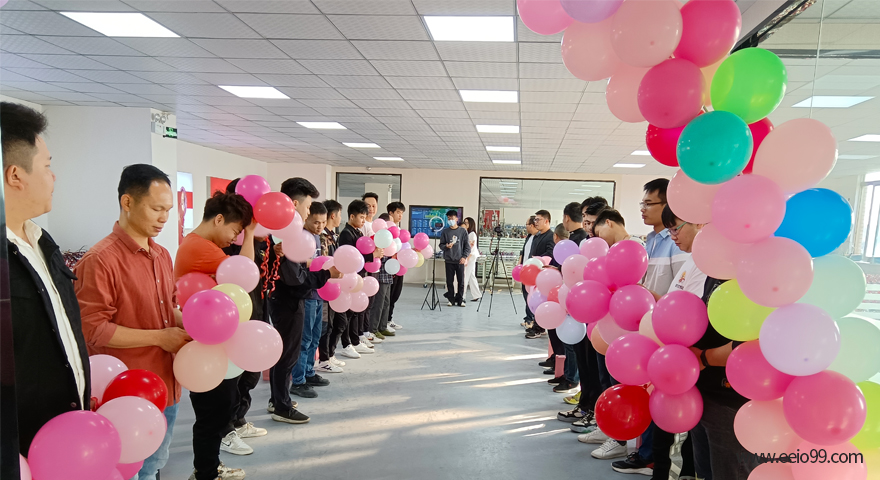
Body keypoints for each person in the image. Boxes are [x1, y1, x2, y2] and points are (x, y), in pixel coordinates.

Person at [75, 164, 189, 480]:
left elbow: (168, 308)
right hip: (128, 393)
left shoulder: (163, 255)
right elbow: (93, 329)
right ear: (127, 202)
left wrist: (188, 322)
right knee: (130, 470)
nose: (164, 217)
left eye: (167, 209)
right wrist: (159, 338)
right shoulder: (101, 260)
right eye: (156, 209)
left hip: (168, 384)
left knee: (154, 466)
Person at [3, 102, 91, 456]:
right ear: (15, 175)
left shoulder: (42, 243)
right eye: (47, 166)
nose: (53, 177)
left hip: (68, 435)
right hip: (22, 450)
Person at [174, 191, 256, 480]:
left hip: (212, 340)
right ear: (218, 219)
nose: (234, 238)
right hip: (206, 344)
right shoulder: (199, 248)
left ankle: (209, 468)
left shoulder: (199, 245)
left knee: (219, 409)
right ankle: (206, 473)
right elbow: (246, 274)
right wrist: (251, 235)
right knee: (213, 414)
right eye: (234, 230)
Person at [264, 177, 325, 422]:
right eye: (308, 207)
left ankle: (277, 399)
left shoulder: (284, 232)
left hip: (285, 299)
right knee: (287, 354)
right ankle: (281, 406)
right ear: (295, 203)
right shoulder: (284, 233)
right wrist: (325, 274)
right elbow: (295, 280)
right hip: (287, 301)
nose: (309, 212)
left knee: (287, 352)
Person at [220, 180, 269, 452]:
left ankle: (238, 419)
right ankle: (226, 429)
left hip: (256, 305)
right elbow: (244, 268)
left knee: (250, 371)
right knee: (232, 376)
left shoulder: (254, 234)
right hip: (235, 312)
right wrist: (248, 233)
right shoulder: (229, 237)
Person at [288, 201, 339, 399]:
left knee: (316, 335)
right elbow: (300, 266)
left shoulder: (317, 238)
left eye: (323, 222)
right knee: (305, 338)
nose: (319, 226)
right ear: (306, 217)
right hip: (306, 294)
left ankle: (309, 372)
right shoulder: (302, 237)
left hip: (319, 293)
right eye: (316, 222)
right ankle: (298, 380)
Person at [336, 199, 382, 356]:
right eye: (361, 217)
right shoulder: (346, 234)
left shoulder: (358, 232)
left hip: (359, 277)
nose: (364, 221)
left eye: (365, 217)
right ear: (352, 216)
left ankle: (355, 340)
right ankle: (346, 344)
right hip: (350, 279)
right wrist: (372, 255)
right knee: (347, 313)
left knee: (356, 311)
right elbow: (352, 257)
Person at [546, 225, 578, 394]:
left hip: (574, 301)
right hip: (562, 297)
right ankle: (564, 373)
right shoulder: (576, 241)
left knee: (571, 342)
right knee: (563, 339)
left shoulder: (577, 244)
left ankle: (572, 379)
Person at [317, 199, 346, 374]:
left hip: (335, 285)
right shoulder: (323, 238)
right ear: (333, 215)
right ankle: (323, 359)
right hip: (326, 286)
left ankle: (330, 354)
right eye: (339, 214)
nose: (340, 218)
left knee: (337, 322)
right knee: (326, 325)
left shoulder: (333, 236)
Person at [525, 210, 554, 339]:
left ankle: (538, 326)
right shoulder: (537, 236)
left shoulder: (551, 236)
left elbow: (550, 254)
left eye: (538, 220)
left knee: (541, 300)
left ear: (546, 221)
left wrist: (537, 259)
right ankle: (538, 325)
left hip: (544, 274)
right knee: (534, 299)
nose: (535, 222)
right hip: (534, 273)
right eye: (534, 220)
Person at [369, 212, 396, 340]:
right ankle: (373, 329)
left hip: (388, 274)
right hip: (380, 275)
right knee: (378, 303)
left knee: (386, 302)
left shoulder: (389, 239)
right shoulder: (377, 238)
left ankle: (383, 326)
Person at [439, 209, 470, 307]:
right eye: (448, 218)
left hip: (460, 260)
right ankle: (451, 299)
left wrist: (464, 257)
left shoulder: (462, 231)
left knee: (461, 281)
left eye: (452, 218)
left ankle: (460, 300)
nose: (450, 220)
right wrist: (446, 246)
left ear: (456, 219)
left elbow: (467, 246)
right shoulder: (445, 232)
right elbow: (441, 245)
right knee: (449, 281)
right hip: (449, 259)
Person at [359, 193, 379, 344]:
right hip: (365, 269)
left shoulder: (377, 225)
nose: (371, 208)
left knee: (371, 303)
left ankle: (367, 330)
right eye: (368, 205)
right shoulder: (362, 226)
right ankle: (362, 333)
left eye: (374, 205)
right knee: (363, 303)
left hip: (376, 268)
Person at [385, 201, 406, 331]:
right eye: (398, 212)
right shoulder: (386, 230)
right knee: (389, 295)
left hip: (400, 266)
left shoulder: (399, 230)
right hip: (390, 266)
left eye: (402, 213)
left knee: (395, 294)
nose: (400, 215)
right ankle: (385, 320)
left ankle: (389, 319)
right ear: (390, 213)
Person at [519, 216, 538, 330]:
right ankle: (528, 317)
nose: (525, 226)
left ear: (531, 225)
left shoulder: (538, 238)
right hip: (524, 269)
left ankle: (531, 319)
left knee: (531, 295)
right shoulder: (529, 237)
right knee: (525, 294)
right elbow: (524, 250)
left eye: (526, 224)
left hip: (532, 271)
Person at [461, 217, 481, 303]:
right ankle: (476, 294)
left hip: (470, 257)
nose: (465, 225)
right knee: (471, 276)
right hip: (470, 257)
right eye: (465, 223)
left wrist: (466, 259)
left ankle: (463, 295)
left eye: (467, 223)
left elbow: (471, 248)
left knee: (465, 276)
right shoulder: (467, 234)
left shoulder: (472, 234)